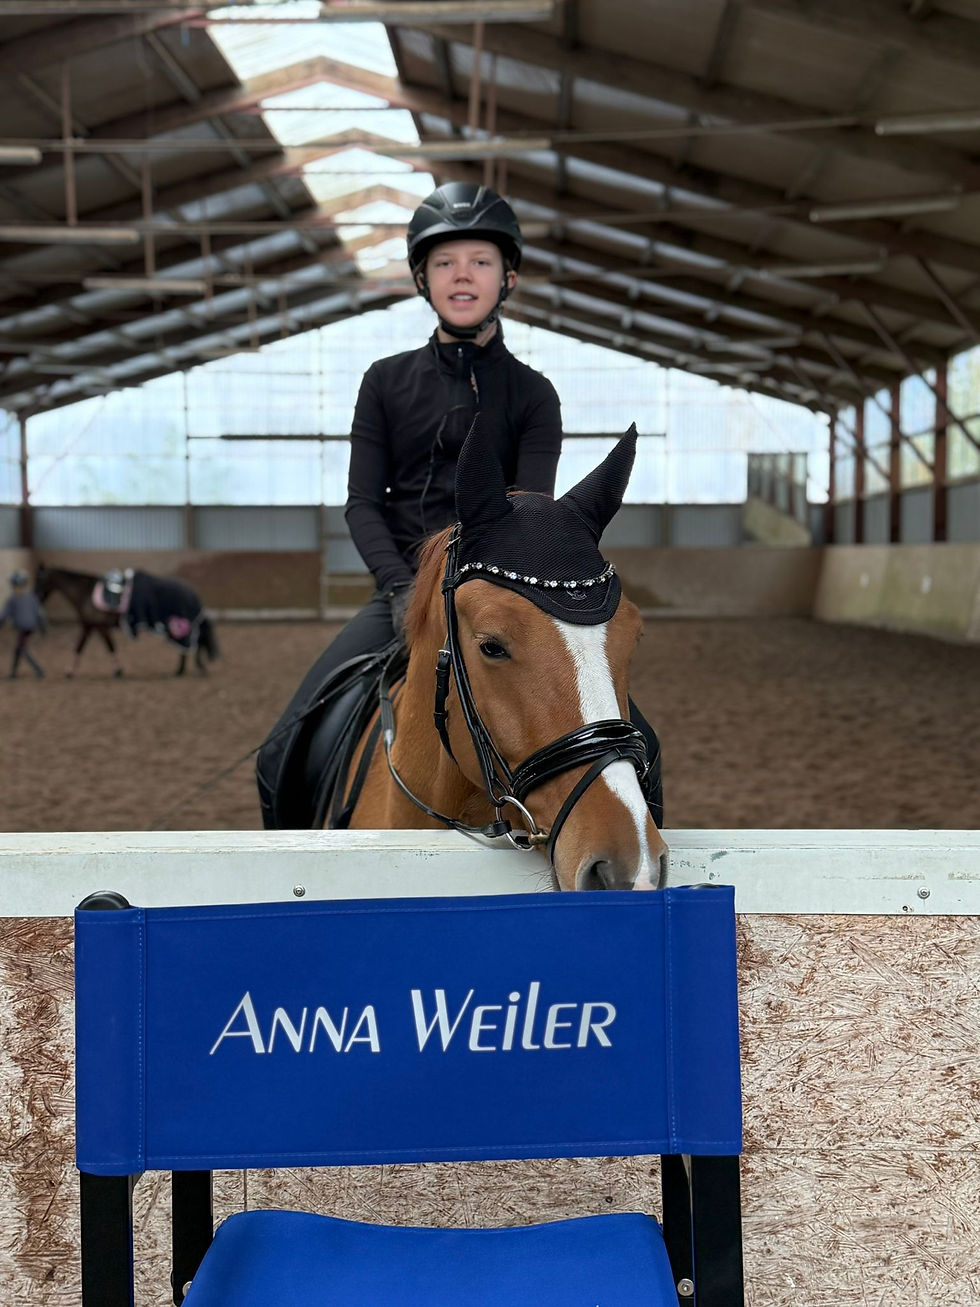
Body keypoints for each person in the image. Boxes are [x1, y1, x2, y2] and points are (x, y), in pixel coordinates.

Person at [259, 181, 662, 828]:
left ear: (507, 277)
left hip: (497, 602)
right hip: (398, 598)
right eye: (445, 262)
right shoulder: (385, 382)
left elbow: (526, 512)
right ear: (424, 279)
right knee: (281, 747)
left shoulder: (534, 395)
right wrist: (398, 589)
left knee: (643, 747)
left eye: (480, 260)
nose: (462, 274)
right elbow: (362, 504)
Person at [1, 570, 46, 679]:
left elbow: (4, 615)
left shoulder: (13, 599)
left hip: (23, 627)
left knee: (21, 650)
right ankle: (13, 673)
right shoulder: (32, 597)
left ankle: (38, 670)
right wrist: (42, 627)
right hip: (30, 627)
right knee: (19, 649)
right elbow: (39, 613)